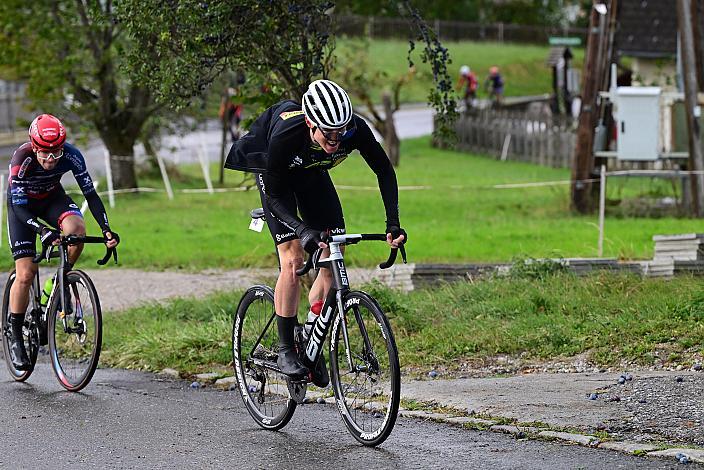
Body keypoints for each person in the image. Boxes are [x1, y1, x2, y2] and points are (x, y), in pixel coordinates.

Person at [225, 79, 406, 386]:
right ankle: (285, 348)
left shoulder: (353, 130)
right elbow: (276, 196)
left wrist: (393, 223)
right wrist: (300, 229)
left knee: (332, 255)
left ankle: (309, 337)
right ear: (310, 123)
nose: (336, 139)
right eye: (328, 132)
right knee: (294, 260)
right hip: (276, 179)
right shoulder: (287, 132)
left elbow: (384, 170)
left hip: (310, 173)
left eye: (341, 131)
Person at [6, 114, 119, 370]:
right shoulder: (21, 159)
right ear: (34, 147)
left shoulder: (72, 155)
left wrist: (106, 230)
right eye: (45, 153)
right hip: (22, 208)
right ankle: (14, 333)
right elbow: (20, 208)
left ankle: (59, 280)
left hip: (51, 199)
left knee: (76, 230)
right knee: (25, 274)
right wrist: (42, 231)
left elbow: (90, 194)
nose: (51, 159)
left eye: (56, 153)